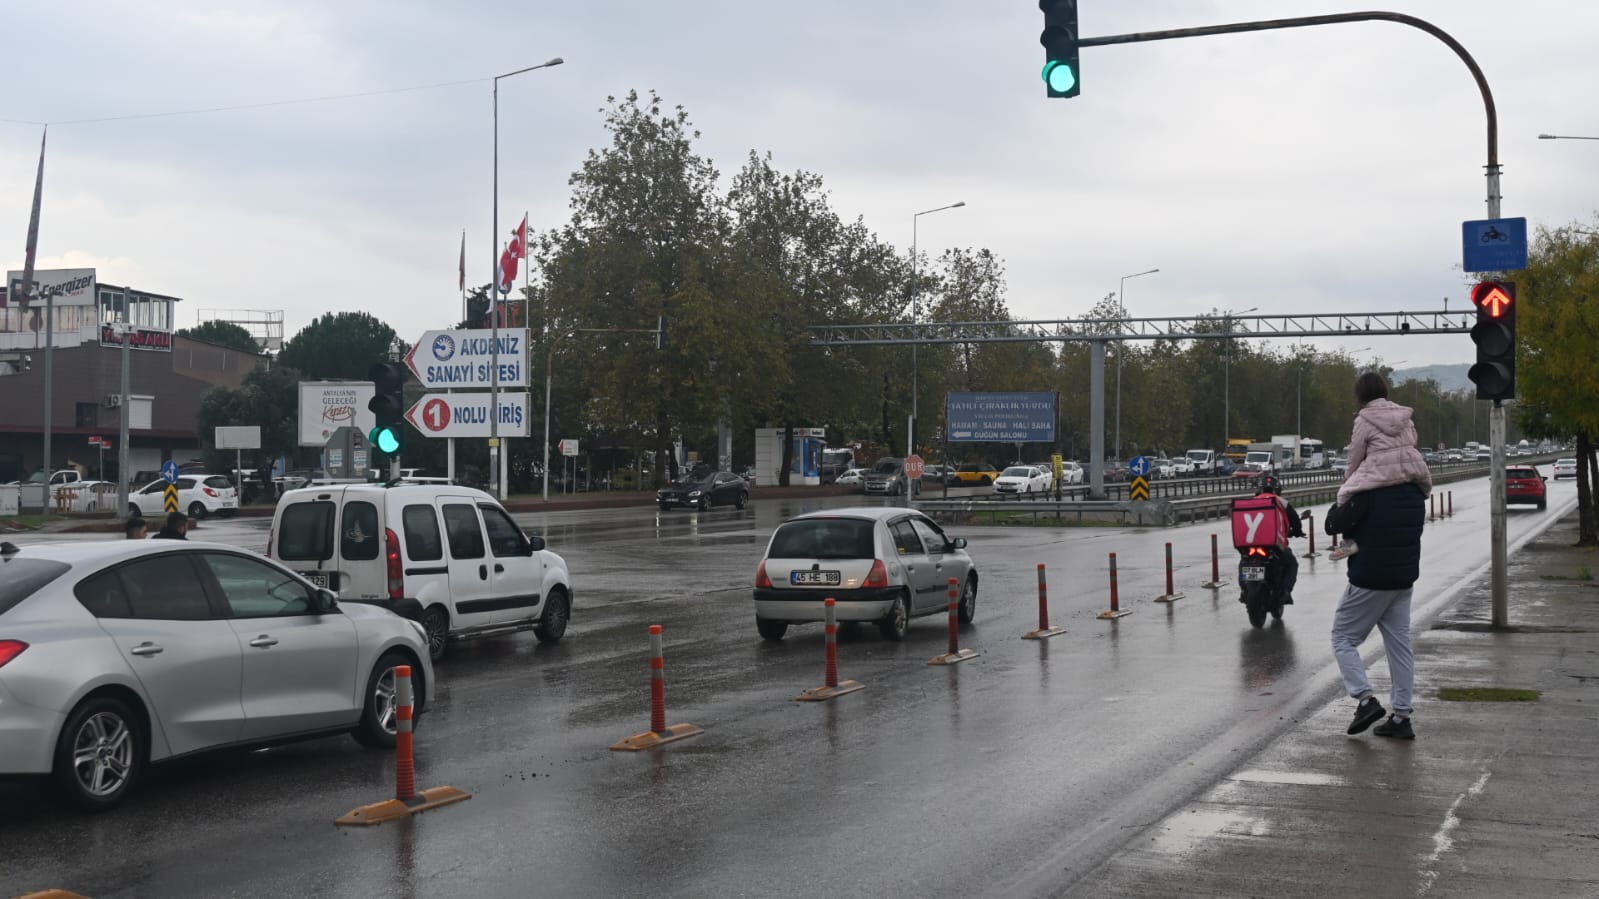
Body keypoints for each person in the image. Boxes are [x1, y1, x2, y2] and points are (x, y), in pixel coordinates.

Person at [1329, 372, 1432, 560]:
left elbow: (1356, 453)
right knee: (1424, 490)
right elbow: (1413, 439)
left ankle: (1348, 542)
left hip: (1379, 468)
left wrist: (1348, 478)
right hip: (1411, 467)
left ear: (1361, 395)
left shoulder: (1364, 420)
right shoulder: (1405, 416)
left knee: (1344, 494)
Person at [1255, 475, 1305, 603]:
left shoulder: (1252, 502)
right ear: (1277, 490)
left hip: (1251, 543)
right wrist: (1298, 532)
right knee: (1292, 563)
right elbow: (1295, 520)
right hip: (1274, 545)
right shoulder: (1281, 501)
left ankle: (1244, 589)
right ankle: (1285, 591)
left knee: (1244, 562)